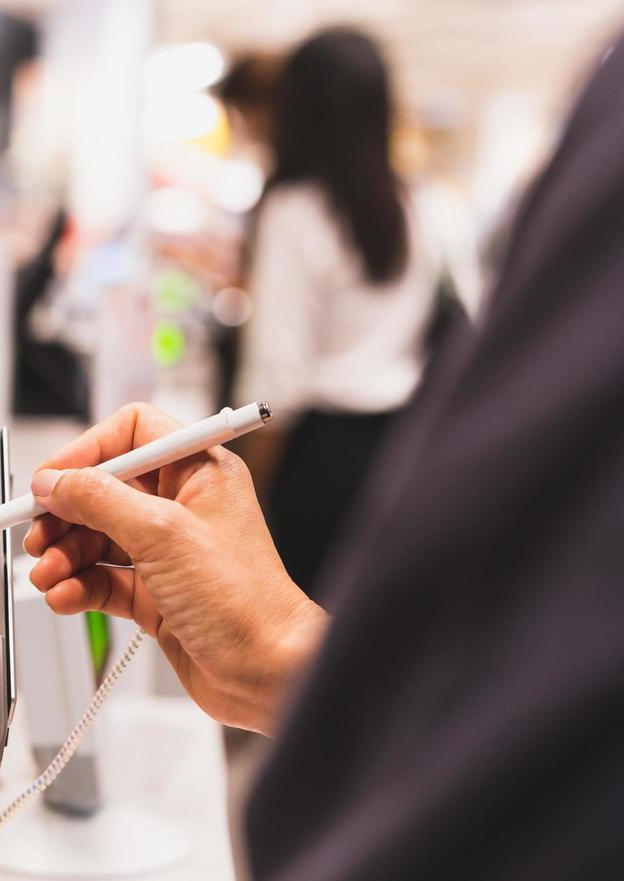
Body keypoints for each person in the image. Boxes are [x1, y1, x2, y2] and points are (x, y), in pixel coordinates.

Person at [25, 0, 624, 881]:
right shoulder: (406, 200)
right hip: (392, 450)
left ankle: (303, 863)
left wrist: (258, 502)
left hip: (311, 452)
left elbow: (276, 371)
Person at [234, 28, 445, 592]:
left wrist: (247, 486)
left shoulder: (294, 211)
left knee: (298, 633)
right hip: (405, 451)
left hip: (319, 461)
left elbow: (278, 380)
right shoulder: (421, 207)